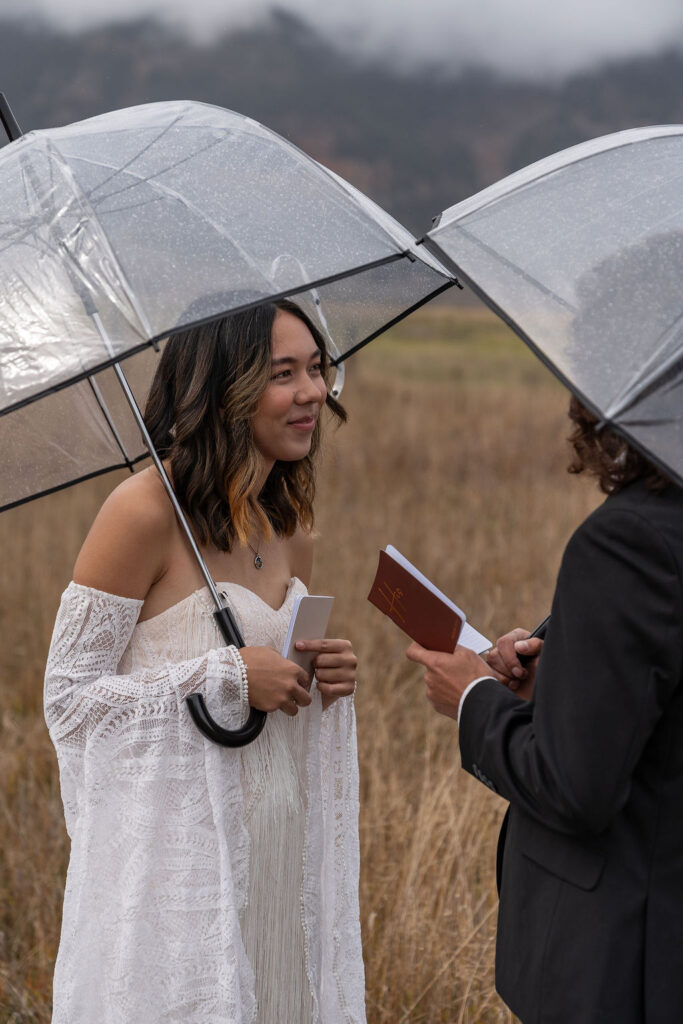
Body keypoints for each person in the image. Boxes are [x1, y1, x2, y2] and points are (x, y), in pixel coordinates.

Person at [44, 299, 366, 1024]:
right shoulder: (142, 513)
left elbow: (272, 689)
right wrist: (220, 677)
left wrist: (317, 680)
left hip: (277, 864)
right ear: (224, 389)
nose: (312, 391)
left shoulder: (290, 528)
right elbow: (67, 700)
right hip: (182, 879)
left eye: (316, 369)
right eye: (283, 374)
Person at [406, 394, 683, 1024]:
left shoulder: (630, 539)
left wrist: (474, 700)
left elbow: (576, 788)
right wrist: (561, 681)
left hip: (624, 964)